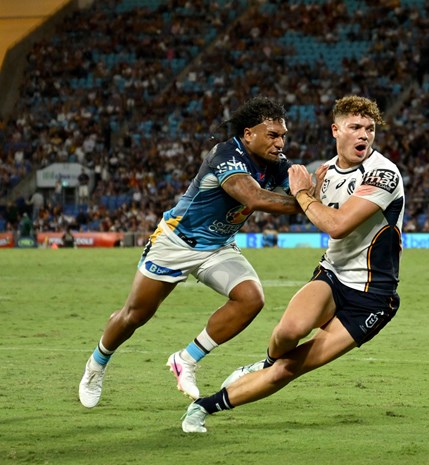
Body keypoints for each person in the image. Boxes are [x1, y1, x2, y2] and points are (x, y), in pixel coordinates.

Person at [181, 95, 405, 433]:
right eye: (355, 127)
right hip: (332, 276)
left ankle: (203, 407)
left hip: (372, 296)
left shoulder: (383, 174)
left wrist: (302, 194)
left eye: (370, 129)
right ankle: (265, 363)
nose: (364, 135)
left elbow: (337, 225)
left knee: (289, 368)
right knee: (287, 332)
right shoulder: (326, 172)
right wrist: (307, 193)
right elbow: (304, 206)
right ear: (336, 130)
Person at [79, 96, 300, 408]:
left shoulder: (275, 163)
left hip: (218, 247)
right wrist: (307, 204)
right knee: (135, 315)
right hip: (176, 243)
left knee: (251, 299)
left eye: (283, 136)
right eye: (273, 135)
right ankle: (96, 365)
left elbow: (301, 188)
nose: (280, 143)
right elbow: (254, 197)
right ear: (249, 134)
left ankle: (186, 359)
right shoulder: (225, 155)